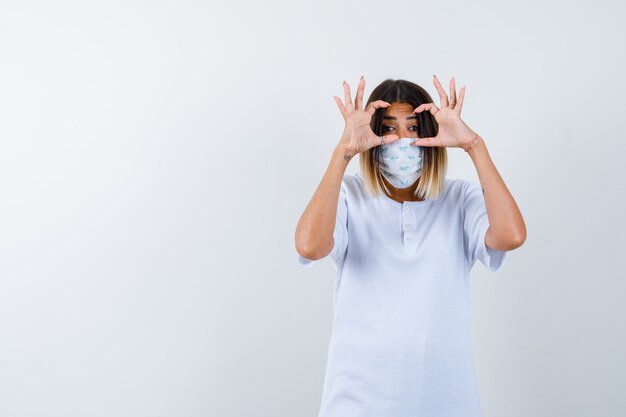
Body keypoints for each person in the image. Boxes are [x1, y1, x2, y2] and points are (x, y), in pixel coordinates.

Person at [294, 75, 527, 417]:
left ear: (430, 133)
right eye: (388, 128)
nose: (401, 141)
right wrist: (342, 153)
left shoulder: (459, 199)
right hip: (357, 402)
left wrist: (473, 145)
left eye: (414, 128)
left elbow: (511, 236)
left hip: (448, 402)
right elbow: (310, 246)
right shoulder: (350, 196)